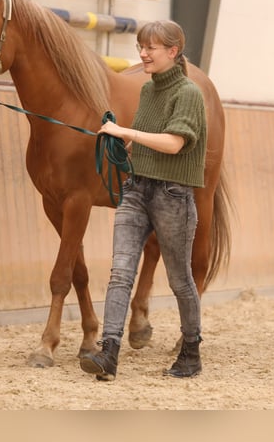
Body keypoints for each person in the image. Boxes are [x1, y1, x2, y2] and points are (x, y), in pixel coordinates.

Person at [80, 19, 207, 381]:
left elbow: (174, 143)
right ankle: (109, 351)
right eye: (141, 46)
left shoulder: (189, 94)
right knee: (120, 272)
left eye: (150, 47)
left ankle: (191, 352)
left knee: (180, 280)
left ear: (173, 51)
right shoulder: (150, 91)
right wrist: (124, 142)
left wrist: (126, 130)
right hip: (136, 189)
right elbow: (152, 137)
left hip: (172, 195)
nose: (143, 53)